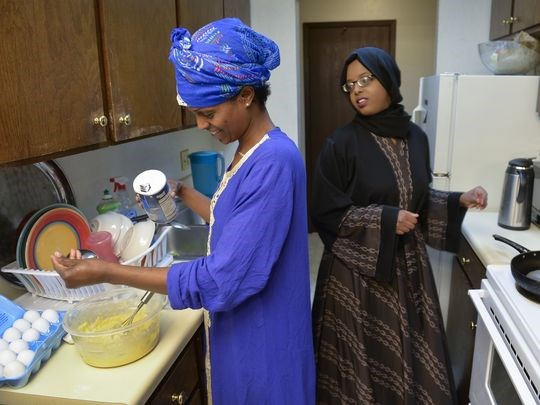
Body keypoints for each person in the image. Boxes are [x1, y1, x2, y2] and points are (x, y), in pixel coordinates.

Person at [52, 18, 315, 405]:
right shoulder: (254, 148)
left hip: (263, 348)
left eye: (208, 112)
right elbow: (237, 223)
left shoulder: (273, 160)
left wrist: (107, 271)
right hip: (249, 332)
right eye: (195, 112)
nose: (201, 124)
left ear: (245, 95)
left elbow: (222, 279)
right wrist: (183, 192)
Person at [310, 47, 487, 404]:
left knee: (410, 357)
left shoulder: (416, 138)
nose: (357, 90)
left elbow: (415, 201)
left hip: (408, 271)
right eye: (349, 86)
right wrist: (386, 219)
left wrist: (458, 200)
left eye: (366, 79)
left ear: (388, 79)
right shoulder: (340, 144)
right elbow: (325, 214)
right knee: (358, 369)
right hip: (356, 278)